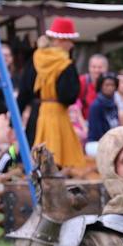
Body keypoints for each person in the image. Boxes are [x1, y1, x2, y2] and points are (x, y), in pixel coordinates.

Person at [16, 17, 84, 169]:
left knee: (33, 156)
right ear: (60, 41)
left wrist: (13, 119)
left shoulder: (35, 60)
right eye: (70, 40)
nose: (72, 45)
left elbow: (24, 92)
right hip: (58, 115)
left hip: (36, 114)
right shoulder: (66, 64)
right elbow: (69, 96)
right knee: (59, 158)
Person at [84, 73, 121, 147]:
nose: (110, 88)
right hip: (95, 143)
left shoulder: (114, 105)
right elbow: (98, 132)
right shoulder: (96, 106)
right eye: (107, 85)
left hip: (111, 141)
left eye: (112, 85)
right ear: (101, 86)